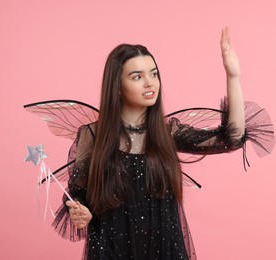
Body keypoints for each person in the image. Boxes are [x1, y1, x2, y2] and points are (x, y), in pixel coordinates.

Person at [51, 27, 257, 259]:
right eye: (137, 76)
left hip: (164, 249)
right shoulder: (93, 135)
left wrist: (233, 76)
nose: (150, 83)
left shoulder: (167, 133)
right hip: (111, 248)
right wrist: (81, 211)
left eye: (154, 74)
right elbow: (76, 193)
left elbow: (231, 138)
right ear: (117, 87)